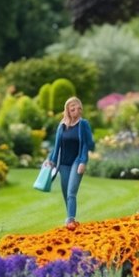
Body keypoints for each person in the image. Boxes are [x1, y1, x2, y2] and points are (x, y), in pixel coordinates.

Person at [44, 96, 95, 229]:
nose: (73, 109)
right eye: (71, 107)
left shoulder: (83, 124)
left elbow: (87, 144)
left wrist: (83, 161)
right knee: (66, 193)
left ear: (80, 109)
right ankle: (71, 219)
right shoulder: (62, 125)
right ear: (67, 109)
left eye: (76, 107)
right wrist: (51, 161)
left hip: (77, 162)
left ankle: (70, 220)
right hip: (63, 164)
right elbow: (57, 146)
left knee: (71, 192)